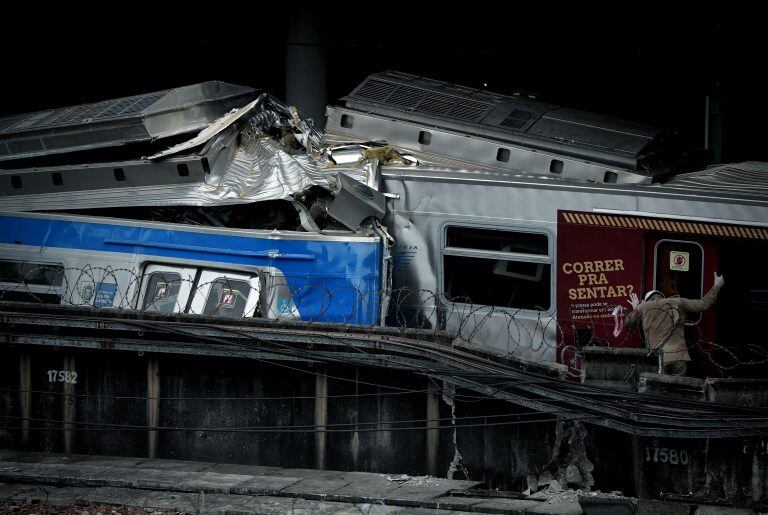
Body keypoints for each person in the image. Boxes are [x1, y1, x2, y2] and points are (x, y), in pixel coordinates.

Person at [625, 272, 724, 376]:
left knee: (658, 390)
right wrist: (717, 285)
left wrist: (636, 308)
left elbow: (628, 323)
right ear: (662, 296)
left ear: (648, 300)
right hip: (679, 356)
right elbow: (703, 304)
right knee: (678, 389)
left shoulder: (643, 307)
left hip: (659, 358)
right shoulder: (677, 302)